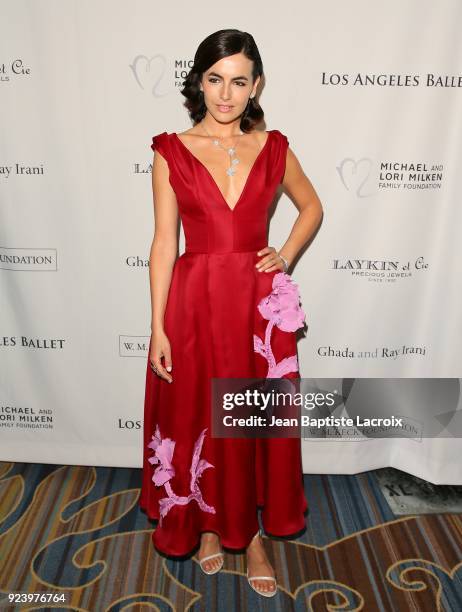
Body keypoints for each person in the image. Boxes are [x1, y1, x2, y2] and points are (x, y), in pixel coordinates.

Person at [139, 28, 323, 598]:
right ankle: (211, 526)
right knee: (199, 414)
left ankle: (255, 537)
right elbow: (165, 242)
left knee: (250, 419)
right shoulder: (170, 150)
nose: (225, 94)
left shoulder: (273, 147)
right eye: (215, 79)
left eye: (238, 81)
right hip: (196, 302)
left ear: (255, 86)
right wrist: (158, 326)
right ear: (199, 82)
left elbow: (313, 206)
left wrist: (285, 254)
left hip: (256, 306)